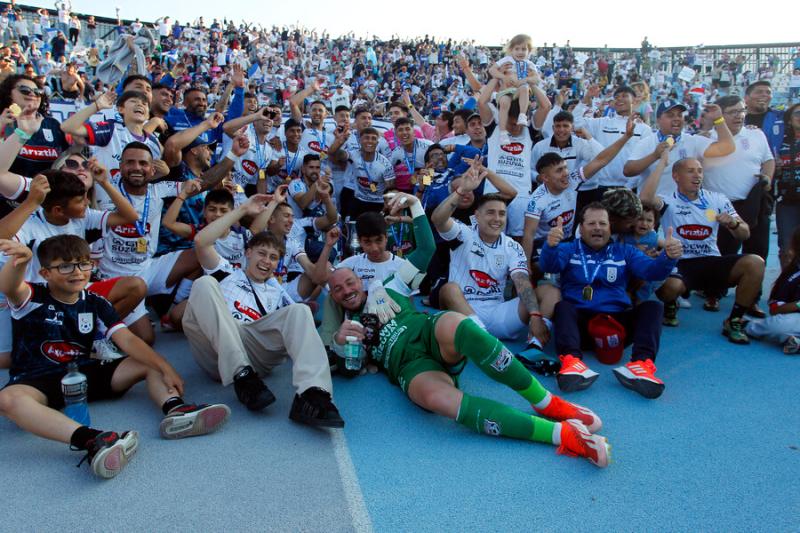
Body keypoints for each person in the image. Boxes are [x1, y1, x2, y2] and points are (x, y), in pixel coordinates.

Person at [325, 192, 611, 467]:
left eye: (350, 282)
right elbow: (350, 369)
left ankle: (546, 402)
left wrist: (414, 205)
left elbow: (426, 249)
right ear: (334, 298)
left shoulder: (390, 285)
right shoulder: (351, 329)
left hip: (428, 333)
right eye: (337, 289)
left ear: (360, 281)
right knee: (438, 401)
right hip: (409, 367)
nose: (346, 290)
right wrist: (340, 343)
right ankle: (562, 435)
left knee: (456, 322)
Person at [0, 235, 230, 479]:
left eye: (83, 264)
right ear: (45, 273)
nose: (77, 272)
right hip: (37, 379)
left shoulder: (96, 302)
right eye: (65, 266)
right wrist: (22, 261)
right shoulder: (32, 296)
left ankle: (176, 410)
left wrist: (165, 366)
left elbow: (127, 340)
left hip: (83, 373)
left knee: (148, 361)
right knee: (6, 400)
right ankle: (93, 439)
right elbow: (9, 286)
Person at [183, 195, 344, 428]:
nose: (266, 261)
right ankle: (241, 375)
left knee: (300, 311)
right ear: (248, 253)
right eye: (261, 253)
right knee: (203, 284)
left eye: (273, 257)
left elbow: (299, 331)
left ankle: (313, 395)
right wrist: (244, 209)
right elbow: (201, 241)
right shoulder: (226, 272)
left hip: (254, 352)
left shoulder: (277, 291)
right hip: (216, 350)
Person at [540, 203, 683, 398]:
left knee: (653, 307)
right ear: (581, 228)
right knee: (563, 307)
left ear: (610, 228)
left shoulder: (625, 251)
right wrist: (551, 246)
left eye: (602, 223)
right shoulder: (569, 248)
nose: (597, 227)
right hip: (579, 326)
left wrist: (668, 257)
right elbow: (549, 265)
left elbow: (652, 271)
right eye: (591, 223)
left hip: (617, 326)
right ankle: (572, 362)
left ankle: (641, 365)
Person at [640, 155, 765, 344]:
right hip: (679, 262)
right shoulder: (667, 201)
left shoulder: (717, 199)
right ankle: (671, 303)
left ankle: (734, 320)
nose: (697, 175)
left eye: (699, 170)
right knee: (669, 289)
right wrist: (661, 163)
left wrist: (732, 223)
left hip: (710, 260)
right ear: (676, 176)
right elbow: (645, 198)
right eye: (690, 171)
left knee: (756, 263)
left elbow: (744, 233)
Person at [623, 100, 734, 197]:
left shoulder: (692, 141)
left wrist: (719, 119)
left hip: (683, 210)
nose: (676, 119)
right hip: (653, 209)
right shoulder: (647, 142)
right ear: (658, 120)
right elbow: (628, 171)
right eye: (670, 115)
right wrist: (654, 155)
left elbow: (727, 147)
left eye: (679, 115)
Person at [745, 227, 800, 354]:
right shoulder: (792, 276)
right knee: (780, 325)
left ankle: (795, 341)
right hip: (796, 318)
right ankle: (745, 325)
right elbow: (775, 310)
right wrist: (798, 304)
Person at [488, 34, 539, 145]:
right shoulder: (507, 60)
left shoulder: (529, 64)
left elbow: (536, 79)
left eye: (524, 49)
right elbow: (492, 70)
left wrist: (526, 79)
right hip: (505, 91)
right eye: (517, 49)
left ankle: (522, 115)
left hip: (519, 91)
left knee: (525, 87)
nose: (520, 52)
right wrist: (503, 77)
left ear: (529, 51)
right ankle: (502, 132)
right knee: (504, 103)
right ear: (511, 50)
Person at [775, 103, 800, 267]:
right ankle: (787, 285)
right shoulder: (778, 141)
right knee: (787, 247)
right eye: (798, 113)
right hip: (788, 201)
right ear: (789, 120)